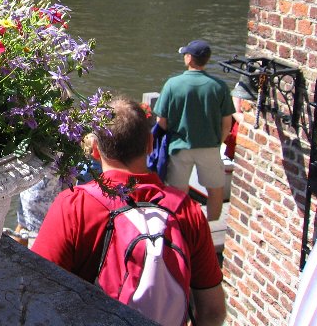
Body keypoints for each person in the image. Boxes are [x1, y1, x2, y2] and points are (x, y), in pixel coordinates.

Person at [32, 98, 226, 326]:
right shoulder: (186, 210)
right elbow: (213, 311)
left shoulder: (74, 205)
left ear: (95, 150)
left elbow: (38, 288)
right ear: (150, 144)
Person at [153, 40, 235, 221]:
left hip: (179, 147)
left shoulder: (172, 84)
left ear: (189, 58)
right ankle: (211, 225)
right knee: (215, 190)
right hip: (210, 147)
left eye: (185, 54)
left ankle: (180, 226)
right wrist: (217, 142)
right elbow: (227, 124)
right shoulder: (219, 86)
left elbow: (161, 121)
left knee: (177, 192)